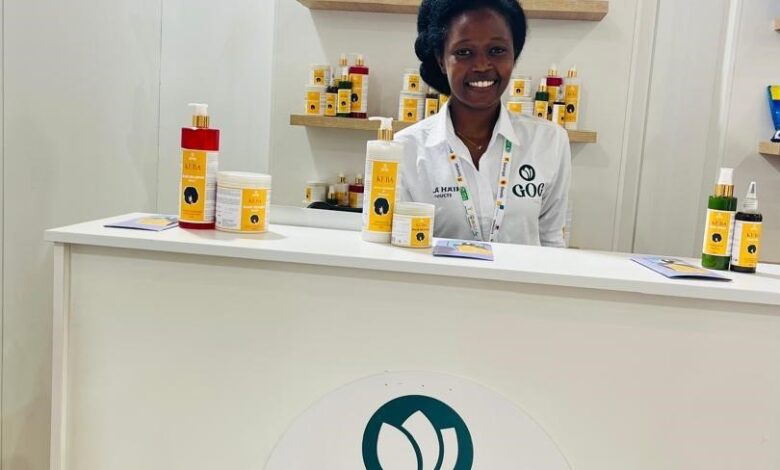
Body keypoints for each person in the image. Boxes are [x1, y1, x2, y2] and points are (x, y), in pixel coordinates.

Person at [396, 0, 571, 247]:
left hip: (521, 275)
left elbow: (552, 242)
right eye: (464, 52)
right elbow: (400, 249)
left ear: (514, 55)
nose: (481, 65)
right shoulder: (406, 149)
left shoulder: (549, 142)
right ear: (441, 59)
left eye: (497, 50)